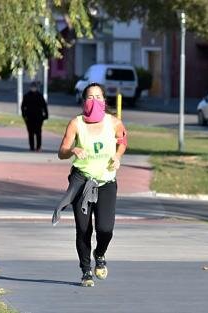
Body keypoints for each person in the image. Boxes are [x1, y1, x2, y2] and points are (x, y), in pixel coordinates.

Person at [54, 82, 128, 287]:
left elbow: (122, 141)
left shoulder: (114, 123)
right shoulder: (76, 124)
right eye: (89, 97)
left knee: (105, 229)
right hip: (82, 183)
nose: (94, 101)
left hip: (106, 182)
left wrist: (118, 156)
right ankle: (86, 270)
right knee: (83, 229)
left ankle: (100, 253)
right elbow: (61, 152)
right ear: (83, 100)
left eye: (98, 97)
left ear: (104, 101)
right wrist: (73, 151)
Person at [21, 82, 48, 151]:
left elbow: (44, 106)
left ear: (36, 87)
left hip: (38, 117)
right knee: (31, 133)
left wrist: (46, 115)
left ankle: (38, 147)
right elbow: (23, 106)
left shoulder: (39, 95)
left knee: (38, 132)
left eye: (34, 87)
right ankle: (32, 147)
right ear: (30, 87)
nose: (33, 88)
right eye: (32, 87)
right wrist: (24, 115)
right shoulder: (26, 96)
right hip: (29, 117)